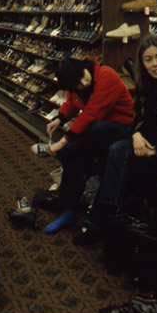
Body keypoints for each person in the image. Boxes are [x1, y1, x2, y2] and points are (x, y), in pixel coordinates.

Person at [74, 34, 157, 245]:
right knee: (117, 150)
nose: (155, 64)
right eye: (148, 60)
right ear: (142, 63)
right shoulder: (148, 83)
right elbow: (140, 119)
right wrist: (136, 135)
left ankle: (101, 219)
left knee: (122, 158)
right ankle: (109, 218)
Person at [32, 57, 134, 234]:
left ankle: (67, 152)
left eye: (82, 76)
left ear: (83, 67)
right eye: (77, 84)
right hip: (97, 133)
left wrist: (63, 142)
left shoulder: (106, 76)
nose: (83, 82)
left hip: (122, 128)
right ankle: (68, 210)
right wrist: (60, 118)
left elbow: (91, 114)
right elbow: (72, 102)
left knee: (90, 132)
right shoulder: (76, 85)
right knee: (76, 156)